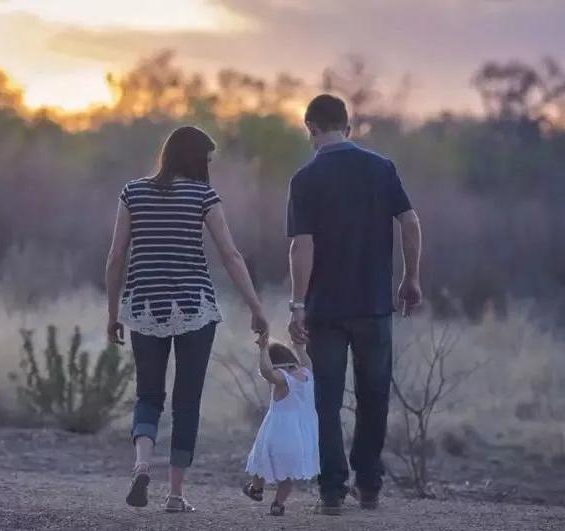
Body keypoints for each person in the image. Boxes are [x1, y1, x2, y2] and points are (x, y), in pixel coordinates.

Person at [105, 126, 268, 511]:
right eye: (207, 159)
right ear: (195, 159)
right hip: (195, 307)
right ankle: (176, 494)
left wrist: (113, 313)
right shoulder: (203, 195)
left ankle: (142, 465)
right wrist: (256, 306)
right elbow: (230, 255)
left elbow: (115, 257)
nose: (209, 167)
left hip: (143, 306)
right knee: (187, 401)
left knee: (148, 394)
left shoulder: (133, 192)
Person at [286, 94, 422, 515]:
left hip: (325, 309)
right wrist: (410, 277)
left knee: (325, 401)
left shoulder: (305, 178)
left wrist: (296, 304)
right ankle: (369, 486)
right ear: (348, 126)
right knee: (374, 396)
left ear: (310, 127)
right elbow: (410, 221)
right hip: (374, 305)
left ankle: (331, 492)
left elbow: (301, 246)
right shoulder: (381, 168)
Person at [244, 339, 319, 516]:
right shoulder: (307, 373)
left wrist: (263, 350)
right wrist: (299, 346)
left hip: (279, 432)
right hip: (302, 435)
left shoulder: (283, 379)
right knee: (288, 473)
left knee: (260, 460)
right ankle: (278, 503)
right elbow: (307, 360)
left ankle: (256, 489)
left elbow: (267, 372)